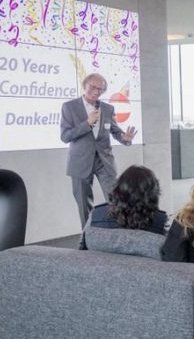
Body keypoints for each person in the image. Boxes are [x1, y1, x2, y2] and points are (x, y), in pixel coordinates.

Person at [61, 73, 138, 227]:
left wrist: (125, 138)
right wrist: (87, 124)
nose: (96, 91)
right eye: (93, 87)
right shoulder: (69, 107)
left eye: (100, 89)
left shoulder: (108, 109)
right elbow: (65, 136)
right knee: (84, 205)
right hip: (80, 162)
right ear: (84, 85)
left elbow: (115, 131)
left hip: (104, 161)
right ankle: (88, 236)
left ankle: (120, 234)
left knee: (116, 200)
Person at [79, 165, 167, 249]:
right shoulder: (162, 223)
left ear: (118, 190)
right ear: (153, 194)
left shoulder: (95, 216)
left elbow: (82, 250)